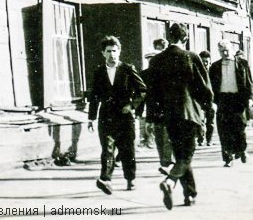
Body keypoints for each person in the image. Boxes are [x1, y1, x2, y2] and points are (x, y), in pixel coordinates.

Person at [149, 22, 213, 209]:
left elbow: (152, 92)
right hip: (189, 114)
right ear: (185, 38)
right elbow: (204, 87)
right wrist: (207, 108)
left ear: (169, 38)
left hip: (169, 117)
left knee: (181, 156)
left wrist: (153, 118)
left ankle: (190, 194)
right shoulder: (191, 57)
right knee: (187, 157)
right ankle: (170, 182)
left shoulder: (157, 60)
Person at [88, 36, 147, 195]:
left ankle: (130, 178)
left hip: (124, 116)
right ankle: (106, 179)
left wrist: (132, 105)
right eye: (108, 51)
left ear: (119, 52)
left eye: (114, 51)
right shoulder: (99, 72)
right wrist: (91, 118)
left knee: (127, 149)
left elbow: (142, 90)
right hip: (106, 116)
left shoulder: (128, 69)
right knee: (107, 149)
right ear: (103, 53)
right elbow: (94, 96)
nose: (112, 54)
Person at [208, 40, 253, 167]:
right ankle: (228, 157)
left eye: (227, 50)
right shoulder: (215, 66)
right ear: (219, 52)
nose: (225, 53)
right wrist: (212, 102)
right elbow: (210, 86)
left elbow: (249, 83)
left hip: (238, 99)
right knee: (223, 129)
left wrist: (250, 98)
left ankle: (242, 150)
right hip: (222, 100)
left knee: (240, 127)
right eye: (222, 51)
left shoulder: (242, 64)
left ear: (232, 49)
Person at [142, 39, 174, 170]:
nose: (152, 62)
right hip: (154, 110)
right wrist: (143, 114)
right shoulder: (145, 75)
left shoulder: (168, 74)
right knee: (159, 137)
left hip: (168, 110)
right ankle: (164, 161)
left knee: (167, 137)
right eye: (150, 60)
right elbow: (144, 96)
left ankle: (167, 162)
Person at [198, 50, 215, 146]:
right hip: (199, 100)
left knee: (210, 121)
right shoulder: (197, 72)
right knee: (200, 120)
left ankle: (209, 140)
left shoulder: (212, 72)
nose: (205, 64)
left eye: (206, 61)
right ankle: (200, 139)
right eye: (203, 61)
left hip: (210, 100)